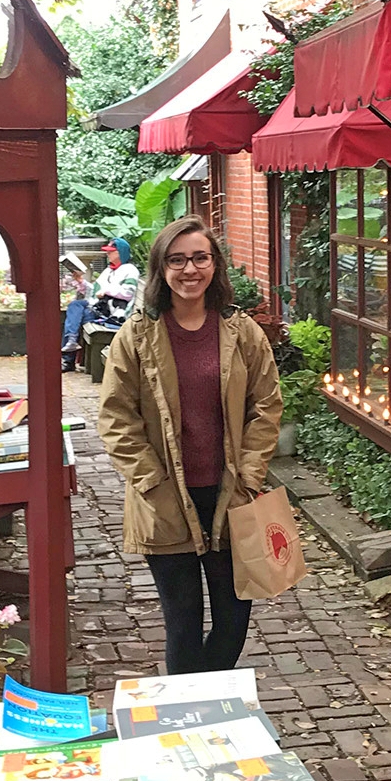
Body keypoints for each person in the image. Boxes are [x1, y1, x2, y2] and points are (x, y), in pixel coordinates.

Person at [98, 218, 282, 675]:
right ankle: (189, 709)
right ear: (161, 270)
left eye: (200, 258)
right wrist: (151, 482)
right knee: (182, 623)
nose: (189, 270)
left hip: (230, 495)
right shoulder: (136, 337)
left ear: (215, 265)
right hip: (164, 498)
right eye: (176, 260)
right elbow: (116, 417)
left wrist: (249, 477)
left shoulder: (241, 332)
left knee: (233, 620)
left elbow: (266, 405)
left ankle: (203, 697)